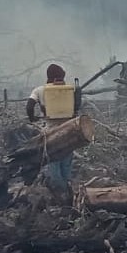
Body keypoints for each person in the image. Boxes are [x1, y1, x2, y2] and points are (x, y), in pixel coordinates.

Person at [25, 63, 80, 198]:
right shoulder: (70, 89)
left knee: (54, 162)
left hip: (51, 132)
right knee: (66, 162)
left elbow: (29, 106)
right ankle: (67, 190)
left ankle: (59, 194)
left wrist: (32, 119)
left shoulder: (39, 90)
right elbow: (77, 106)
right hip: (69, 130)